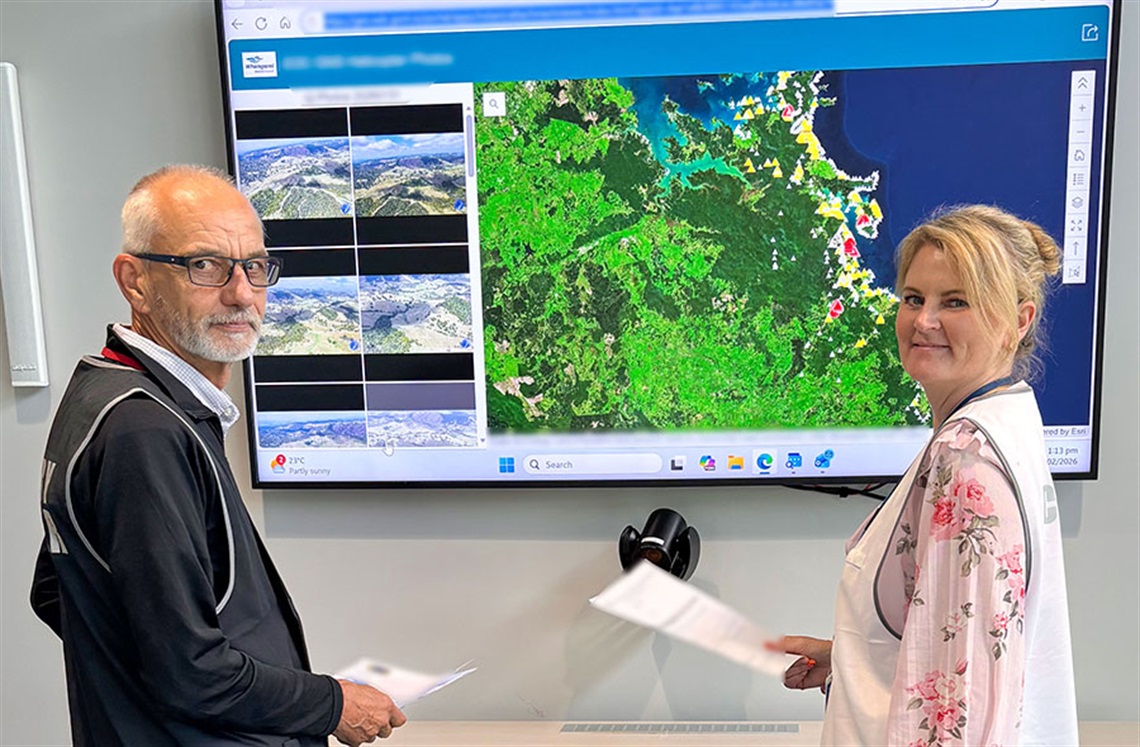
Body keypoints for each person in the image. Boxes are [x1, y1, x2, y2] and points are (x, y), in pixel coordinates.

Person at [30, 165, 406, 746]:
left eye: (254, 267)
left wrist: (129, 683)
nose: (241, 294)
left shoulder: (106, 392)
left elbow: (58, 590)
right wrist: (330, 704)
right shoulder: (143, 431)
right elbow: (190, 672)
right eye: (204, 266)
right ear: (135, 281)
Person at [778, 205, 1078, 745]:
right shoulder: (1004, 419)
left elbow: (958, 709)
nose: (923, 321)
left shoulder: (967, 465)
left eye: (956, 302)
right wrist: (852, 659)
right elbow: (956, 641)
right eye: (914, 298)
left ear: (1019, 321)